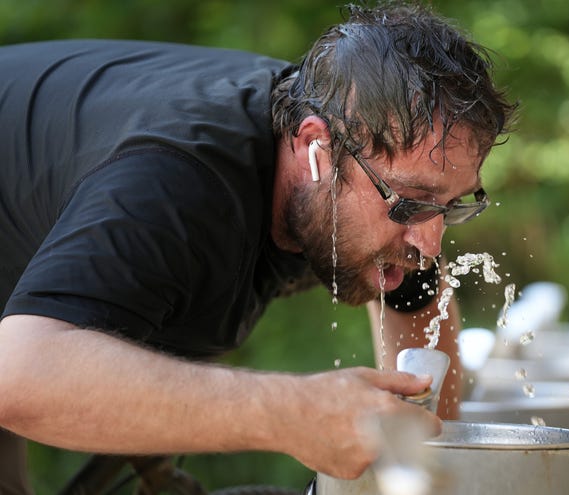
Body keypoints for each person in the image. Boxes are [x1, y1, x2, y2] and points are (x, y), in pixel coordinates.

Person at [0, 2, 516, 493]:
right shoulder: (175, 187)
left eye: (451, 205)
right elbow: (19, 376)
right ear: (316, 148)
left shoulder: (351, 145)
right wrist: (291, 414)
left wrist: (434, 462)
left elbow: (416, 307)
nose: (429, 242)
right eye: (411, 204)